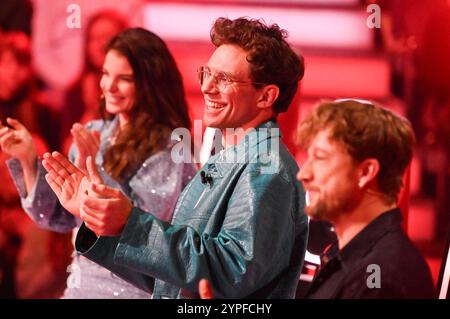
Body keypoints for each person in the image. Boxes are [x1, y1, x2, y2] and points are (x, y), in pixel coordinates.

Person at [43, 17, 309, 299]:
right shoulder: (230, 158)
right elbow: (171, 278)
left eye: (225, 79)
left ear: (266, 96)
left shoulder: (266, 168)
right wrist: (99, 221)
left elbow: (232, 272)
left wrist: (131, 223)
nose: (207, 87)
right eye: (207, 73)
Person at [3, 28, 194, 298]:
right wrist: (28, 161)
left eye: (124, 78)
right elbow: (58, 217)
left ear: (150, 82)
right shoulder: (96, 131)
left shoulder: (172, 145)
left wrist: (96, 172)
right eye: (106, 74)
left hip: (131, 288)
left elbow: (145, 228)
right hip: (80, 285)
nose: (109, 86)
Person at [297, 99, 435, 298]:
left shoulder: (384, 274)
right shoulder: (353, 256)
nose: (304, 174)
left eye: (320, 158)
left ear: (366, 172)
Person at [60, 10, 127, 152]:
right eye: (94, 38)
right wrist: (91, 110)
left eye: (107, 37)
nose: (101, 45)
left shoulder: (136, 87)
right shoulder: (76, 91)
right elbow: (67, 150)